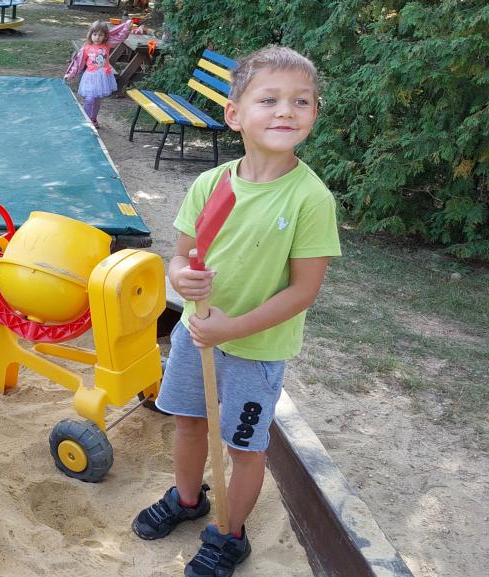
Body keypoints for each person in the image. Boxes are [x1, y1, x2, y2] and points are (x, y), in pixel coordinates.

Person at [130, 46, 339, 577]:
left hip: (256, 349)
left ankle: (231, 532)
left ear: (314, 114)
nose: (286, 110)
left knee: (244, 446)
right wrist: (181, 276)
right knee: (188, 422)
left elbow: (303, 291)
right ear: (234, 114)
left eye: (301, 101)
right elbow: (181, 256)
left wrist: (232, 328)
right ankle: (186, 500)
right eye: (269, 99)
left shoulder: (309, 199)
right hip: (197, 334)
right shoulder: (211, 184)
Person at [63, 19, 134, 129]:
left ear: (105, 36)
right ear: (90, 34)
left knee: (97, 101)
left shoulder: (107, 44)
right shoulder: (86, 48)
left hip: (103, 78)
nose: (97, 37)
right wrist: (71, 74)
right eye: (95, 34)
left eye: (100, 35)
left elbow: (120, 38)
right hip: (90, 77)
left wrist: (126, 28)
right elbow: (78, 63)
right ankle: (86, 121)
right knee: (89, 99)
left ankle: (93, 118)